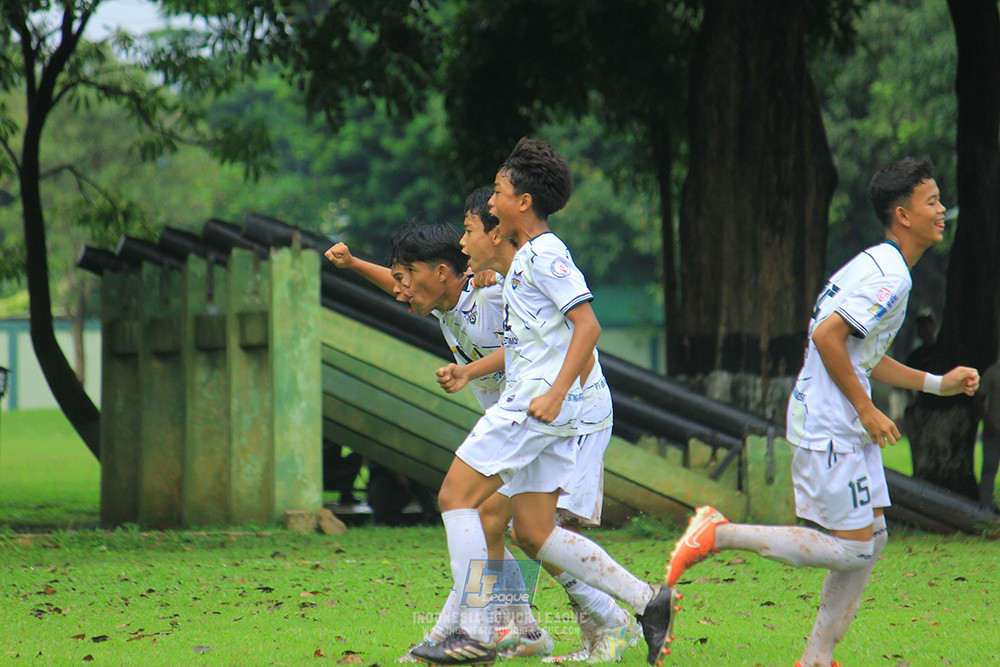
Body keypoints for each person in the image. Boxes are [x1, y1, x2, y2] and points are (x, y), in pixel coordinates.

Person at [666, 156, 980, 667]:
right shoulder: (891, 277)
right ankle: (717, 533)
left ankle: (817, 658)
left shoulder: (876, 262)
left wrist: (938, 384)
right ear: (903, 215)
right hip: (832, 426)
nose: (942, 210)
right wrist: (868, 411)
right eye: (932, 202)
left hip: (839, 425)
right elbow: (827, 337)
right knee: (855, 548)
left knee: (872, 539)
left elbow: (862, 356)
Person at [328, 193, 634, 662]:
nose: (399, 289)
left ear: (442, 273)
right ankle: (527, 627)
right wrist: (353, 265)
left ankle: (606, 620)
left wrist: (470, 371)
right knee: (507, 528)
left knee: (508, 524)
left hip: (565, 414)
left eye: (406, 277)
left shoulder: (490, 294)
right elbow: (404, 281)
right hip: (529, 418)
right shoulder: (445, 302)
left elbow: (543, 344)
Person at [410, 138, 678, 667]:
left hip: (533, 405)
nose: (492, 203)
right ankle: (648, 600)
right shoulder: (526, 258)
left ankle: (474, 634)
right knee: (533, 532)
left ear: (524, 202)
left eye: (501, 191)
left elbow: (589, 325)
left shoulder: (545, 253)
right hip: (543, 409)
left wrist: (555, 394)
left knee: (455, 498)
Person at [975, 363, 1000, 510]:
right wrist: (986, 420)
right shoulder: (994, 372)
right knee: (989, 468)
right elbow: (979, 397)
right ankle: (985, 506)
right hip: (994, 427)